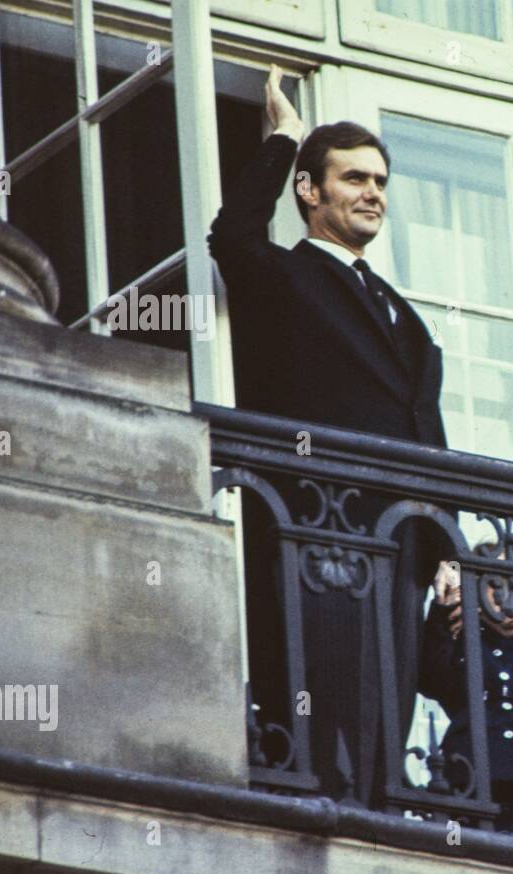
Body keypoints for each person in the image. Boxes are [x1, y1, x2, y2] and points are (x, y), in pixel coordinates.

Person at [209, 66, 446, 807]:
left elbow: (425, 432)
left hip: (401, 540)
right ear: (310, 191)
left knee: (385, 715)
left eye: (380, 180)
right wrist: (283, 138)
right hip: (320, 524)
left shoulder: (406, 314)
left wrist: (444, 547)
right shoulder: (285, 277)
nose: (374, 192)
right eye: (353, 178)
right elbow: (232, 233)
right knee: (327, 718)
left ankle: (379, 811)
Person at [418, 560, 513, 837]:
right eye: (499, 590)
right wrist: (442, 613)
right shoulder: (463, 643)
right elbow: (431, 680)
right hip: (469, 778)